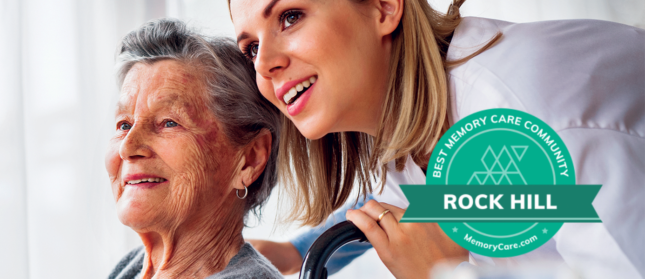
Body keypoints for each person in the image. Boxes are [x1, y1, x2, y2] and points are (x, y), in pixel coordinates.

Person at [229, 0, 645, 278]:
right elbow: (408, 199)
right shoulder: (414, 123)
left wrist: (448, 273)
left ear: (383, 7)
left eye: (290, 16)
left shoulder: (520, 118)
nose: (264, 64)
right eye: (250, 48)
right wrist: (299, 251)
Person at [106, 19, 285, 279]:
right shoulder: (129, 269)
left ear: (249, 159)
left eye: (169, 122)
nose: (127, 147)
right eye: (124, 124)